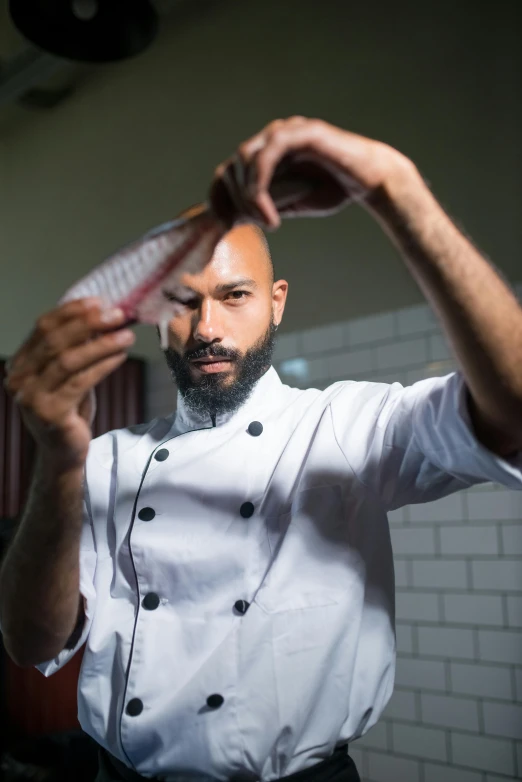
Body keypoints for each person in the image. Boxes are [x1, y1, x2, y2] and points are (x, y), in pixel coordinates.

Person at [1, 117, 522, 782]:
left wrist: (395, 189)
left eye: (234, 296)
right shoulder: (103, 459)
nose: (208, 328)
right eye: (184, 303)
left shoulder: (341, 425)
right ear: (157, 314)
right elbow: (30, 643)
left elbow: (513, 414)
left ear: (276, 304)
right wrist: (58, 459)